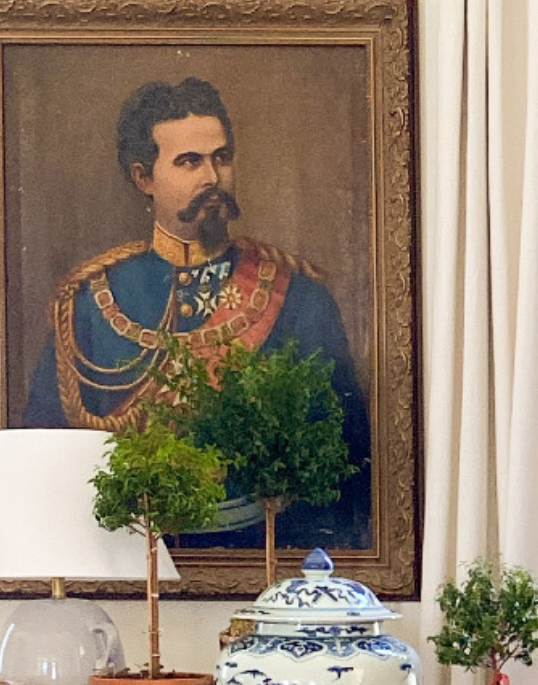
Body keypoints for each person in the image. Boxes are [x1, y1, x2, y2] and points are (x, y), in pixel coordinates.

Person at [25, 77, 371, 551]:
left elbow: (344, 459)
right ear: (143, 177)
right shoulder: (89, 300)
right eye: (189, 162)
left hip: (262, 547)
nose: (211, 177)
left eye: (221, 158)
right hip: (123, 553)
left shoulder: (298, 296)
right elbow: (47, 454)